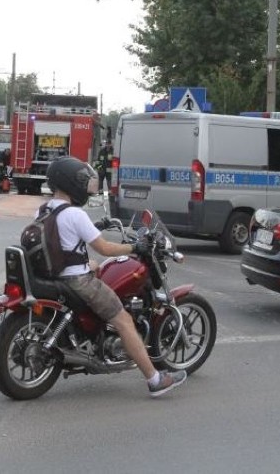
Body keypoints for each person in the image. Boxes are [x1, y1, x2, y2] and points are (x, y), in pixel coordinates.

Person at [43, 156, 187, 397]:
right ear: (70, 183)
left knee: (96, 266)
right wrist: (134, 248)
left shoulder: (47, 208)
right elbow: (106, 249)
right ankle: (155, 379)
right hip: (77, 281)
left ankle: (93, 334)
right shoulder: (75, 214)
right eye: (80, 180)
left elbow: (65, 236)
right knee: (124, 321)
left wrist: (96, 226)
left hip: (59, 273)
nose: (84, 185)